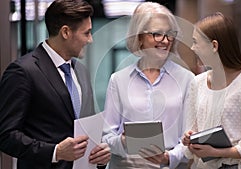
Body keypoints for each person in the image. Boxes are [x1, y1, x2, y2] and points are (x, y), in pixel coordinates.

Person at [0, 0, 110, 169]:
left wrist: (99, 154)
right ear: (65, 32)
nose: (90, 40)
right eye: (86, 33)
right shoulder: (23, 71)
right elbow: (6, 135)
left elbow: (87, 128)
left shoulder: (81, 71)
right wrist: (55, 152)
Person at [101, 2, 194, 169]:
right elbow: (106, 137)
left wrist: (168, 158)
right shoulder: (118, 80)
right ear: (139, 37)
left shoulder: (187, 79)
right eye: (157, 34)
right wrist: (123, 141)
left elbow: (190, 136)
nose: (165, 41)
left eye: (169, 34)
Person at [182, 12, 241, 169]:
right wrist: (189, 139)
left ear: (214, 46)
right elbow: (193, 129)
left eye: (196, 42)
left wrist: (215, 152)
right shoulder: (197, 82)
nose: (192, 48)